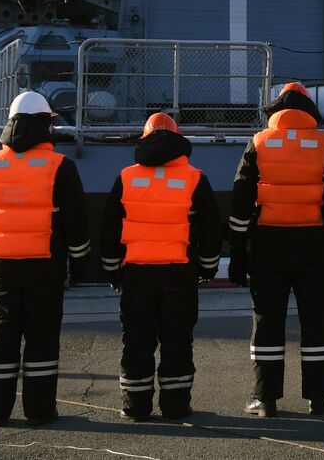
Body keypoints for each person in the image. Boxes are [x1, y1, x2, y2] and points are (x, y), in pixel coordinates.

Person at [0, 91, 91, 427]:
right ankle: (39, 410)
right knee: (42, 338)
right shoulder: (61, 167)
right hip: (44, 266)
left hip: (0, 266)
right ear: (45, 124)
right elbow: (77, 223)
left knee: (0, 336)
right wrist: (78, 266)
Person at [229, 83, 324, 417]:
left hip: (269, 243)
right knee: (316, 320)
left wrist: (238, 253)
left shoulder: (258, 143)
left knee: (267, 321)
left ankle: (265, 399)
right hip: (315, 242)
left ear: (275, 112)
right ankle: (318, 397)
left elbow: (240, 203)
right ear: (309, 112)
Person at [100, 113, 221, 421]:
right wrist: (207, 268)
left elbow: (110, 229)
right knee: (177, 340)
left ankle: (135, 406)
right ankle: (176, 406)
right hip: (179, 274)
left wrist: (113, 270)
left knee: (137, 340)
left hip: (136, 273)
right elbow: (211, 230)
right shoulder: (194, 178)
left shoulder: (126, 178)